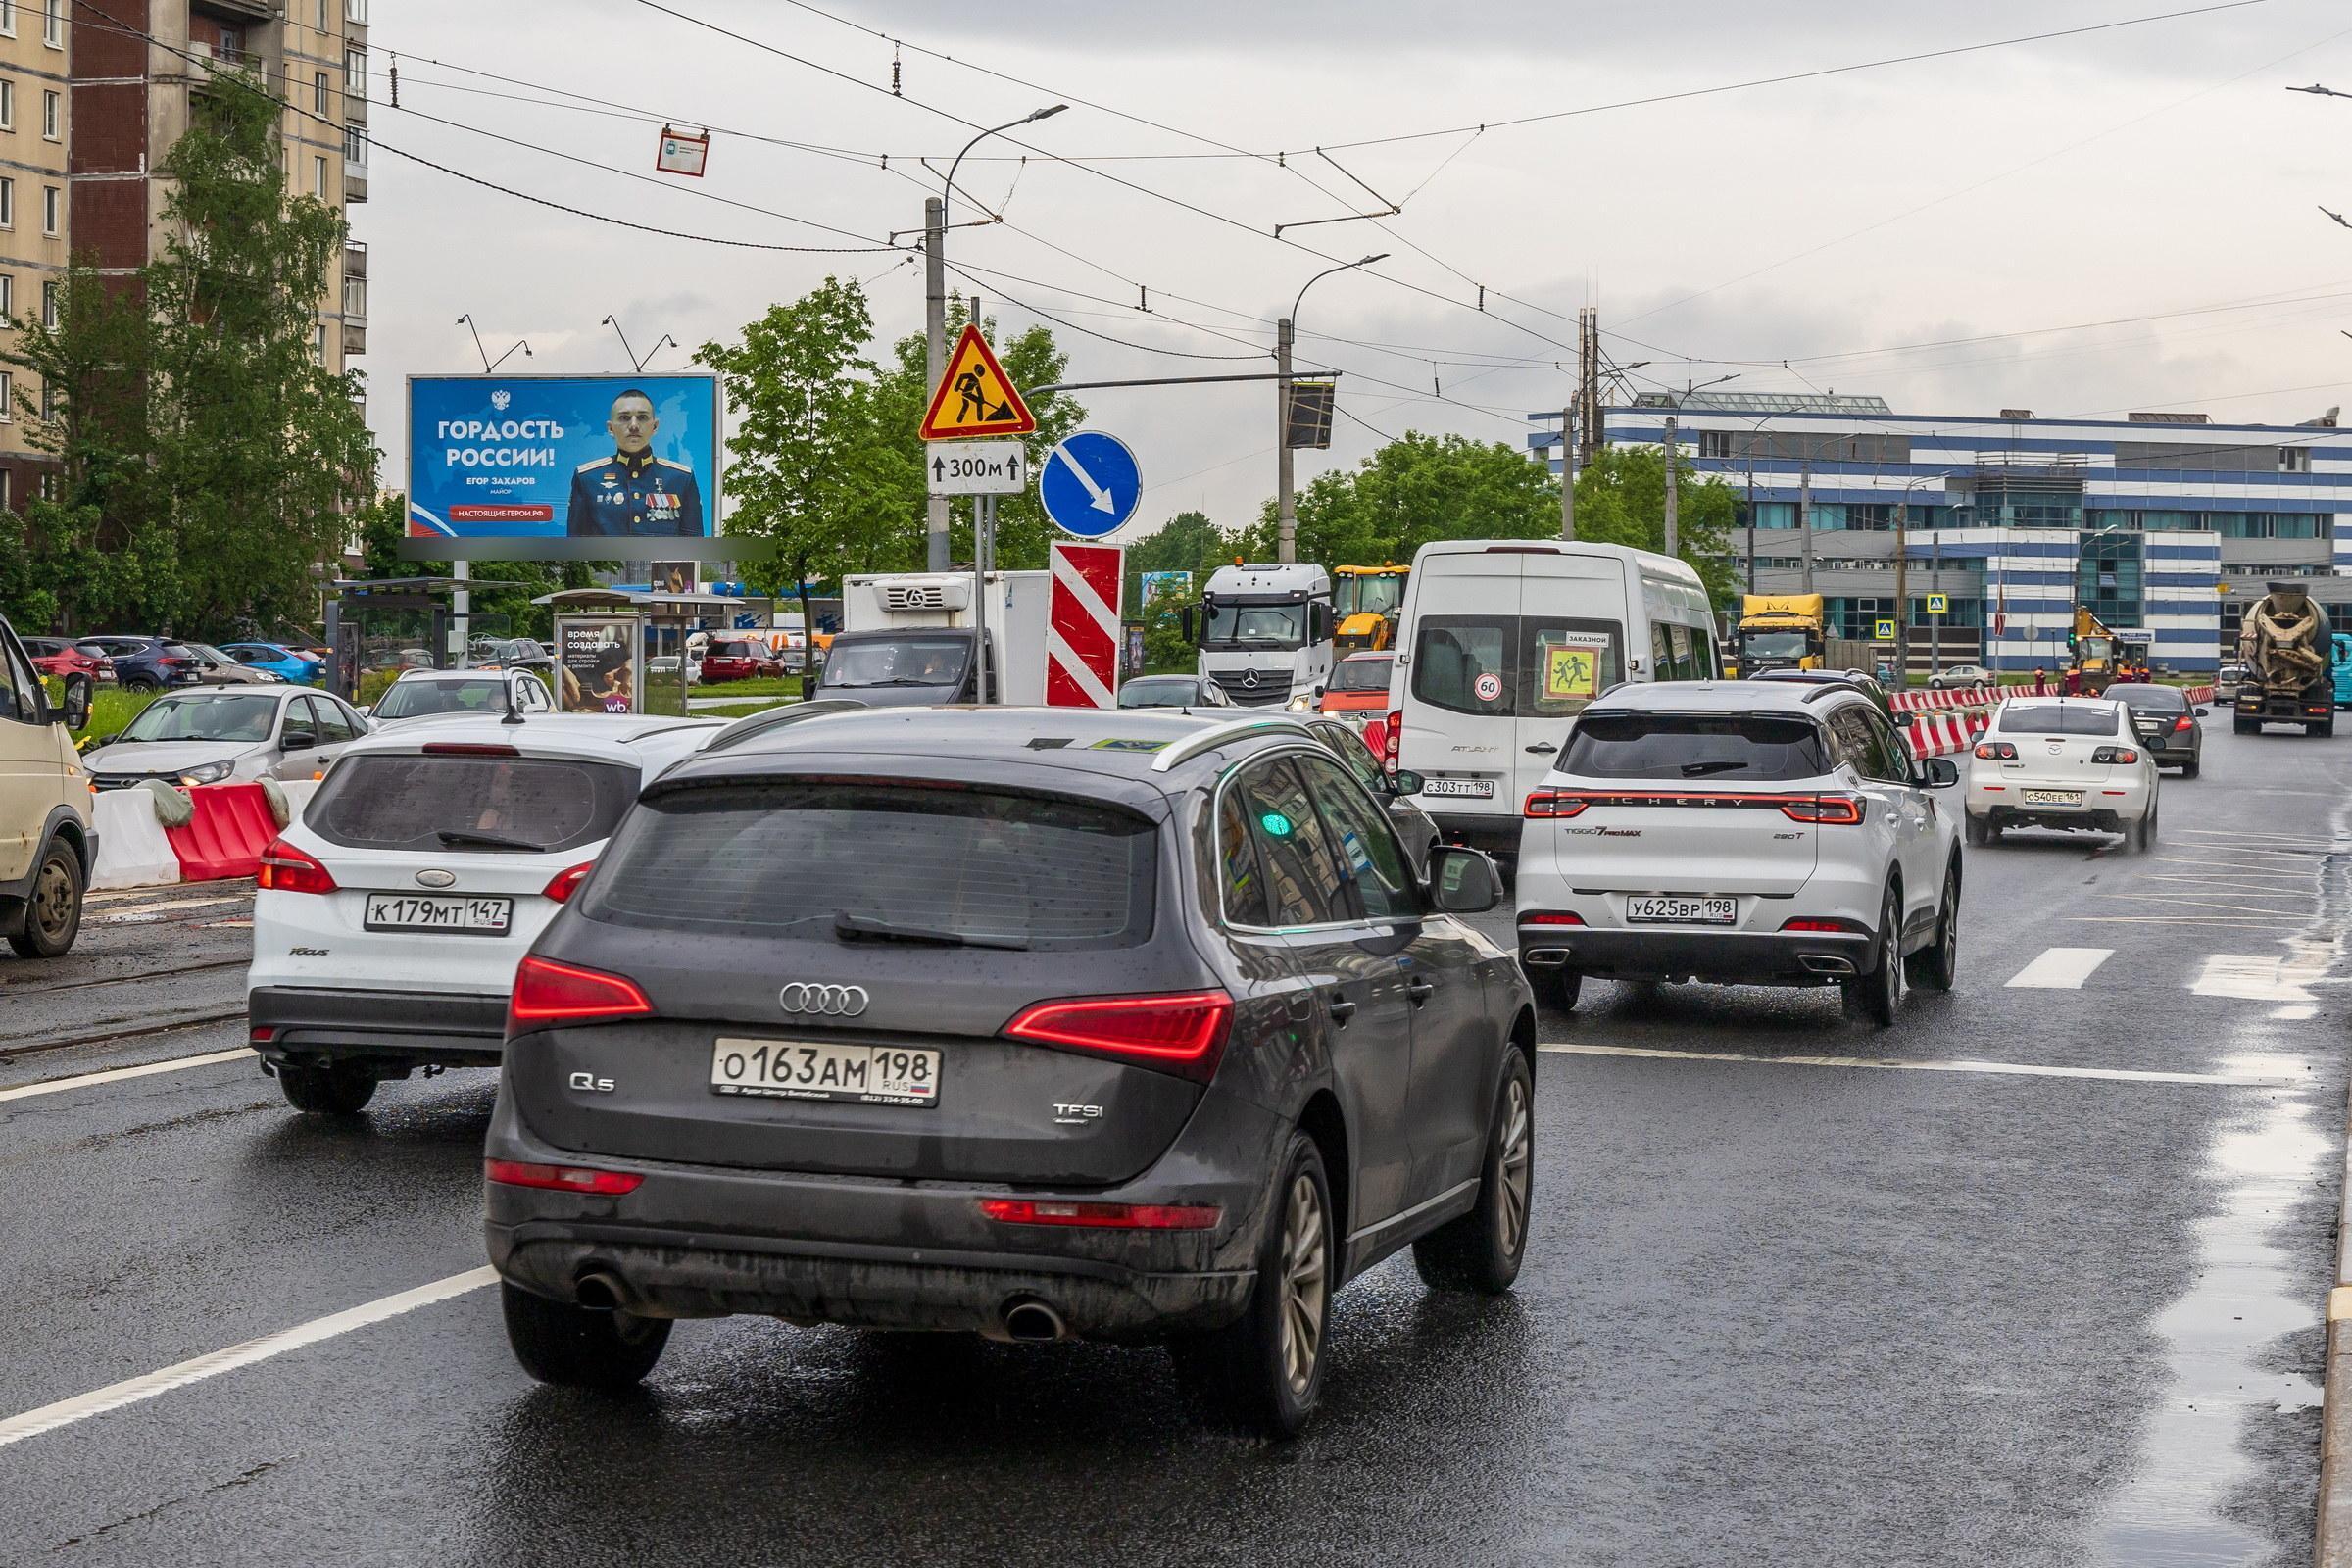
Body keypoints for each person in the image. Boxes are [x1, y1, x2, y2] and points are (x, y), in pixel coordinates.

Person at [565, 389, 705, 538]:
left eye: (642, 417)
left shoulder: (681, 479)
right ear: (610, 428)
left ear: (655, 426)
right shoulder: (587, 479)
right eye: (624, 418)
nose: (633, 425)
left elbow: (693, 544)